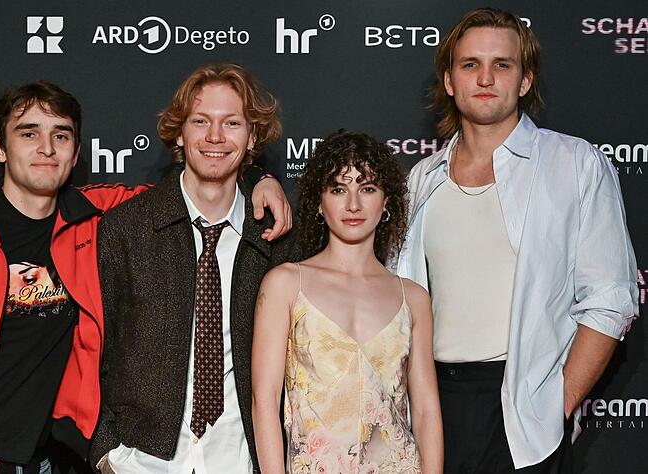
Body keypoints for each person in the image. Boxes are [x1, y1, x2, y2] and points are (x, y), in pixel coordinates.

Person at [0, 80, 290, 473]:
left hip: (38, 463)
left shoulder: (101, 215)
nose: (46, 149)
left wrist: (257, 181)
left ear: (76, 150)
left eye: (60, 135)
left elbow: (203, 184)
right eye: (28, 134)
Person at [396, 7, 639, 472]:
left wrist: (554, 405)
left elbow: (611, 299)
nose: (485, 77)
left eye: (501, 65)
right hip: (429, 405)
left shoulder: (574, 164)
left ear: (525, 80)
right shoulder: (420, 180)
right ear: (449, 81)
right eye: (470, 64)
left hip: (522, 410)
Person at [89, 63, 299, 474]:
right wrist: (107, 453)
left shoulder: (278, 237)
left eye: (232, 123)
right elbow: (95, 345)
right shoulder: (126, 228)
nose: (215, 137)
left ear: (252, 136)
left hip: (241, 459)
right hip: (142, 462)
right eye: (200, 121)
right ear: (180, 134)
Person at [252, 130, 443, 473]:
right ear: (319, 202)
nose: (353, 204)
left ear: (386, 202)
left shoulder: (413, 298)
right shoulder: (285, 284)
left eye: (367, 188)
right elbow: (264, 403)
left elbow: (427, 410)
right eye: (339, 189)